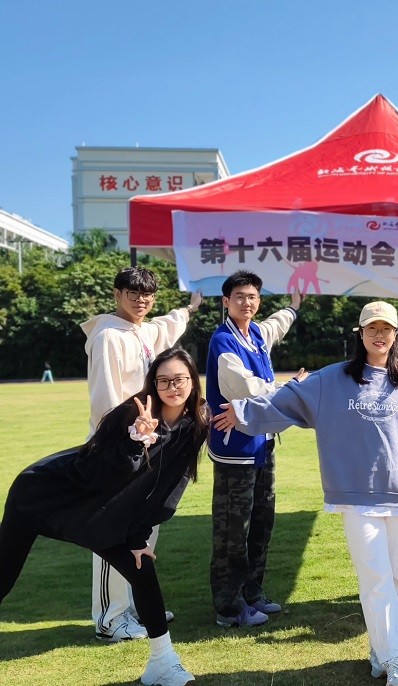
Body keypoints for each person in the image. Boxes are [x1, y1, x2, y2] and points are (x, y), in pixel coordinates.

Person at [213, 301, 398, 686]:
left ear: (395, 335)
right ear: (361, 334)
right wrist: (245, 411)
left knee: (396, 580)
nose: (379, 335)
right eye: (371, 328)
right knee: (376, 577)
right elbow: (288, 398)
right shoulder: (332, 379)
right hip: (354, 497)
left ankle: (380, 651)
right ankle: (396, 660)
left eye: (386, 329)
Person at [0, 347, 209, 685]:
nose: (172, 387)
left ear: (192, 380)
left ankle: (162, 663)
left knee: (142, 570)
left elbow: (170, 484)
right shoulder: (133, 414)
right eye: (163, 380)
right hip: (43, 492)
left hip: (95, 510)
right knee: (3, 576)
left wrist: (139, 537)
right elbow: (98, 475)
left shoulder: (195, 422)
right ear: (153, 383)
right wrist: (136, 440)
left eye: (179, 379)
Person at [81, 266, 202, 641]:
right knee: (113, 533)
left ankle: (136, 606)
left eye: (147, 294)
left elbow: (168, 324)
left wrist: (190, 308)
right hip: (119, 448)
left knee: (142, 531)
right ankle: (110, 618)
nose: (141, 300)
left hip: (151, 443)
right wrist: (126, 440)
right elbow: (105, 401)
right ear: (117, 294)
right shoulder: (108, 337)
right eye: (132, 293)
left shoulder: (145, 331)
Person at [206, 270, 304, 628]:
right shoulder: (223, 342)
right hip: (235, 448)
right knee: (234, 529)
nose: (246, 303)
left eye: (252, 297)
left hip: (262, 443)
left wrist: (294, 306)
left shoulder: (257, 333)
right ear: (226, 302)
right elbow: (246, 388)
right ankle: (229, 607)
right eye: (239, 297)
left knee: (262, 521)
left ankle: (252, 592)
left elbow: (278, 324)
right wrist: (288, 389)